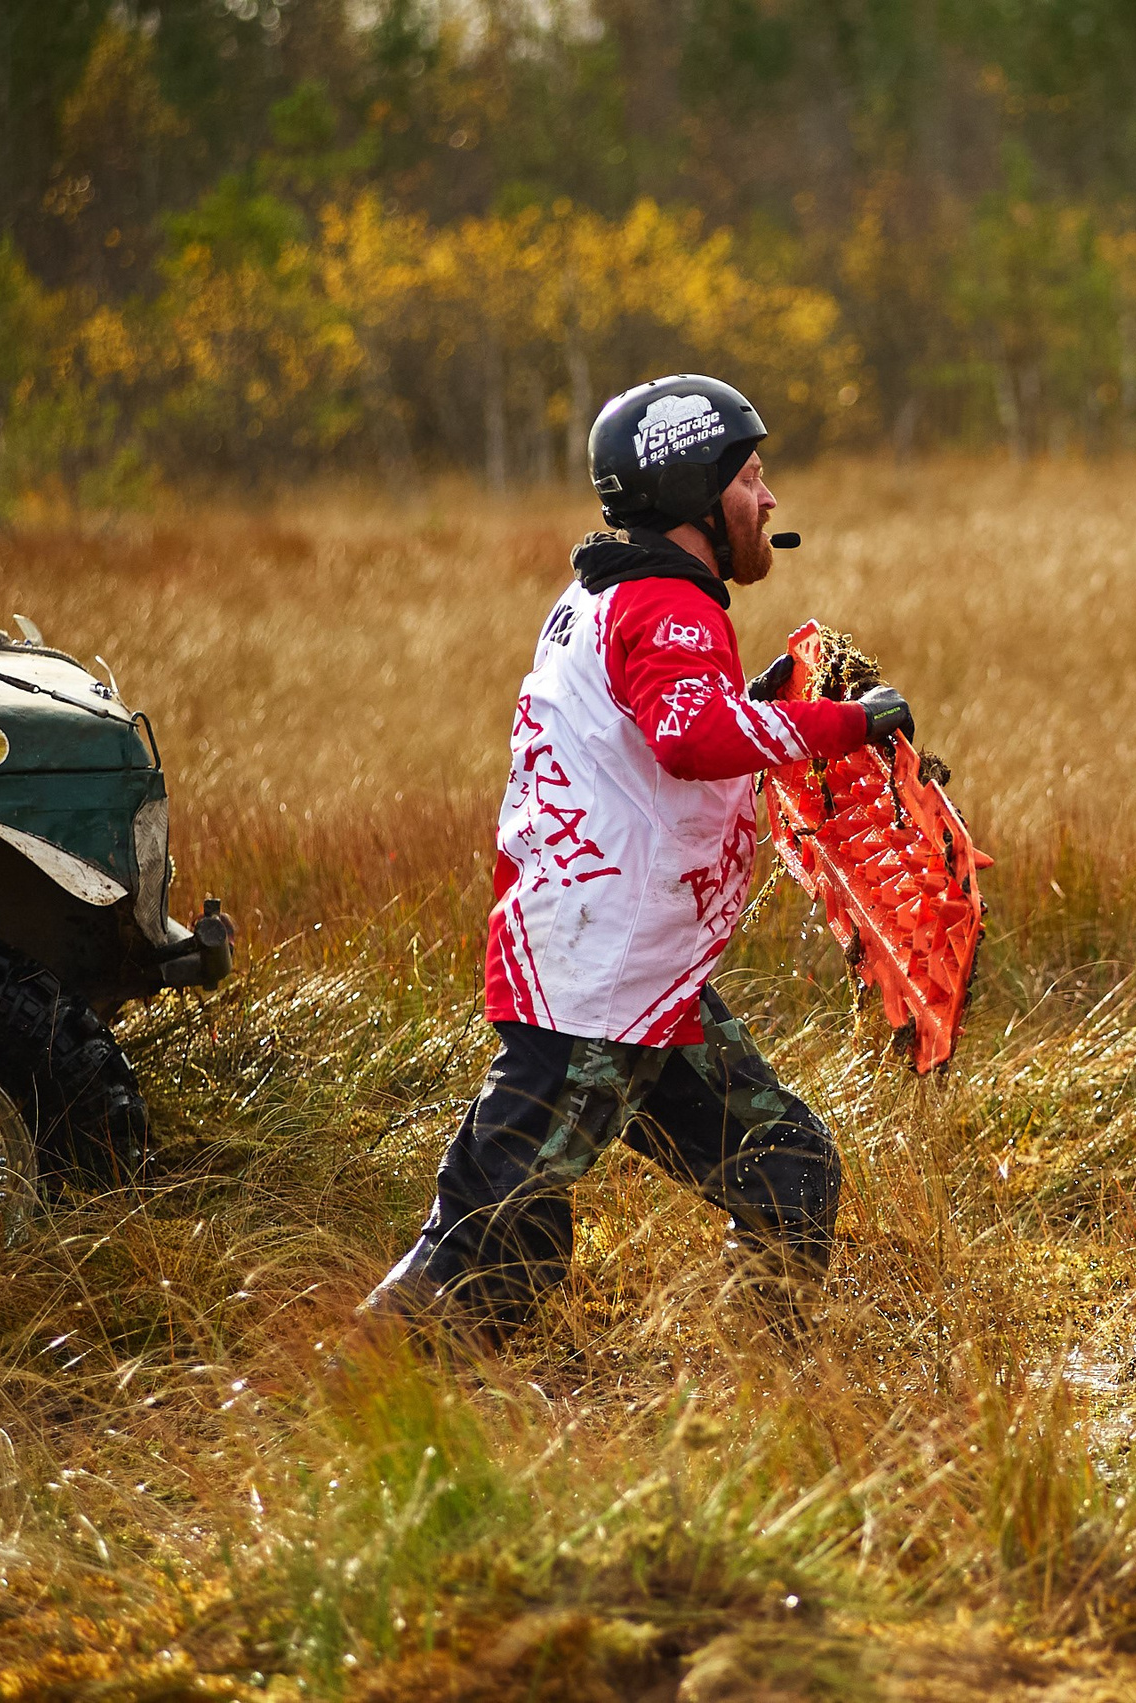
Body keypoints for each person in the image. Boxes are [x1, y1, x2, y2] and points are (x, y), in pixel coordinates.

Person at [361, 374, 911, 1342]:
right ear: (698, 491)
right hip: (598, 984)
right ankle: (358, 1398)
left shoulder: (613, 592)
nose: (770, 499)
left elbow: (664, 726)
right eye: (752, 476)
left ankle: (766, 1392)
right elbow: (690, 738)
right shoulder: (666, 602)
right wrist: (844, 723)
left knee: (785, 1164)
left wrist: (769, 704)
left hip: (637, 976)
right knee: (494, 1238)